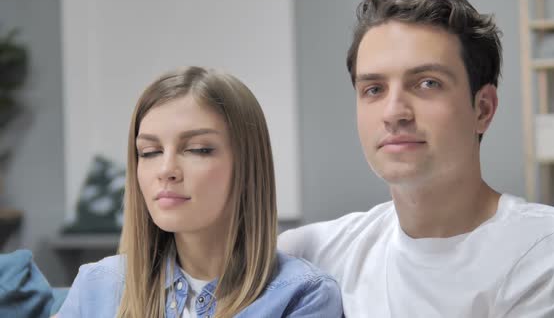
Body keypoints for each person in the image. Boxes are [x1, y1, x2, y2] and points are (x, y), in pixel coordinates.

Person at [279, 0, 554, 317]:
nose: (394, 111)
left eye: (427, 83)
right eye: (373, 89)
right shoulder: (316, 251)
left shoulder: (546, 253)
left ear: (483, 109)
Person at [57, 66, 343, 318]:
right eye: (150, 152)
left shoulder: (303, 295)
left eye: (198, 150)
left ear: (247, 165)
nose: (166, 169)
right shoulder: (98, 284)